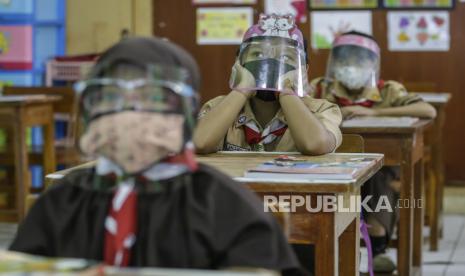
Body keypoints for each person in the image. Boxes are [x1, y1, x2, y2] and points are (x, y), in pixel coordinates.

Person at [9, 37, 305, 275]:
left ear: (184, 112)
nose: (131, 114)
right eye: (110, 97)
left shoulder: (222, 203)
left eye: (154, 99)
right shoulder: (63, 201)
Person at [310, 31, 436, 273]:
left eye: (360, 61)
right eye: (345, 61)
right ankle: (328, 242)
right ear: (334, 63)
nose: (351, 67)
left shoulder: (387, 90)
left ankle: (376, 242)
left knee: (378, 173)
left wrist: (375, 113)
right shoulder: (320, 88)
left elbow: (427, 110)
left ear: (373, 64)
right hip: (331, 163)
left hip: (381, 164)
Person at [194, 13, 342, 155]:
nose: (271, 64)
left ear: (303, 70)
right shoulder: (218, 106)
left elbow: (314, 145)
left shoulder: (321, 109)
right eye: (258, 54)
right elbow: (198, 143)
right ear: (239, 62)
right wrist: (241, 90)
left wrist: (286, 92)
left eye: (285, 57)